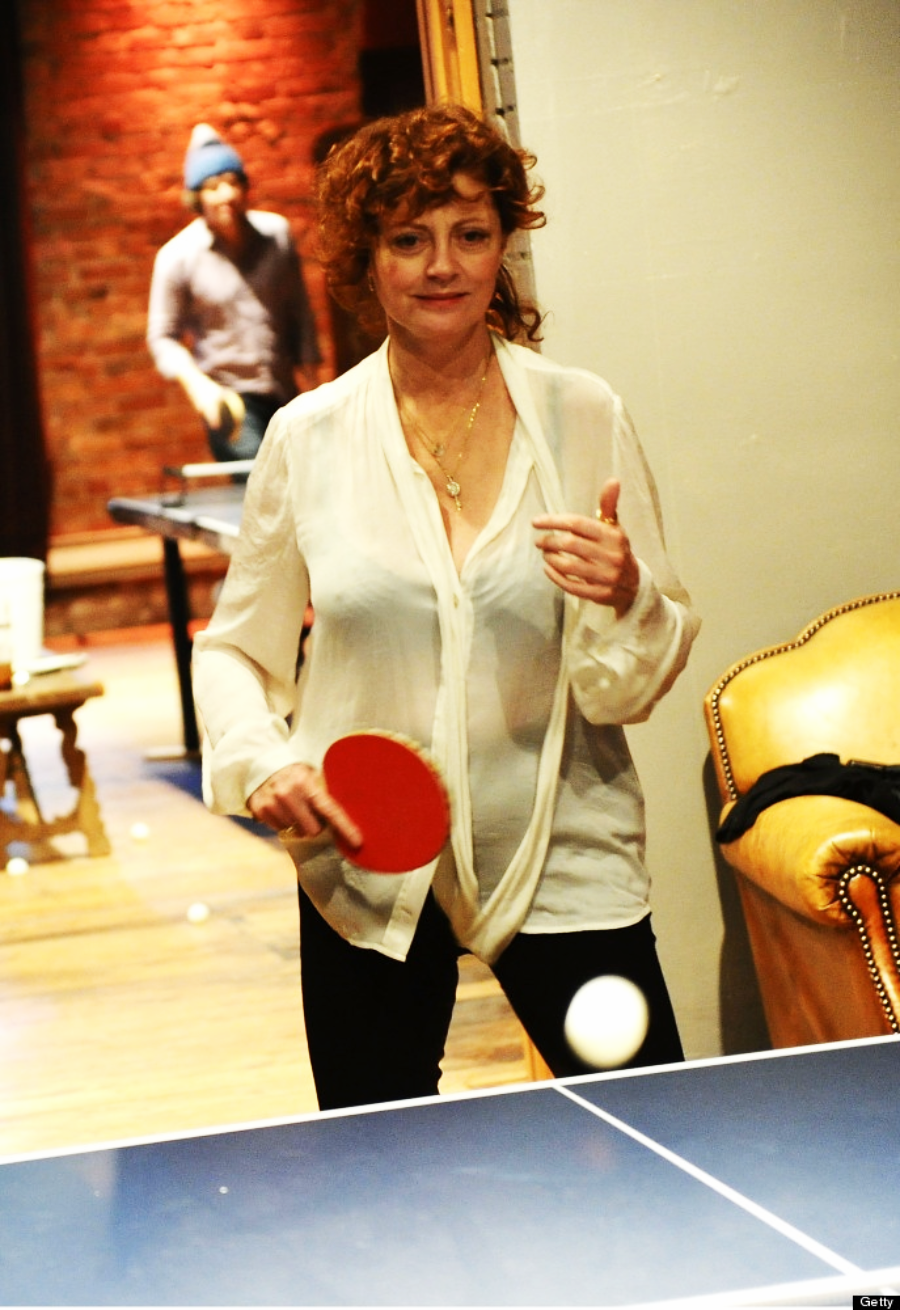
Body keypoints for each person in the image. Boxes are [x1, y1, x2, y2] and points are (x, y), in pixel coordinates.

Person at [192, 104, 700, 1111]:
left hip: (565, 848)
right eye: (409, 239)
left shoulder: (583, 412)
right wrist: (266, 758)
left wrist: (631, 592)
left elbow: (632, 676)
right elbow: (235, 650)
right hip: (365, 865)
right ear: (367, 259)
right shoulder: (308, 436)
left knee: (662, 1147)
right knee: (380, 1187)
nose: (442, 265)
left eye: (470, 235)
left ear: (503, 242)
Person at [147, 124, 321, 462]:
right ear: (196, 197)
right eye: (213, 187)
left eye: (232, 182)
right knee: (259, 487)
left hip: (284, 391)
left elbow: (298, 309)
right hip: (231, 401)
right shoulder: (177, 256)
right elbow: (161, 337)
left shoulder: (276, 234)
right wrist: (198, 387)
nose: (226, 194)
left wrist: (314, 383)